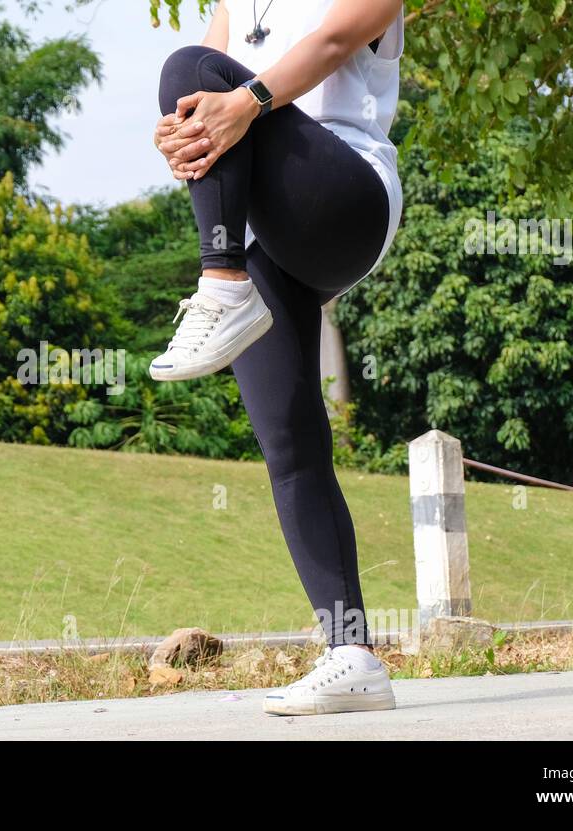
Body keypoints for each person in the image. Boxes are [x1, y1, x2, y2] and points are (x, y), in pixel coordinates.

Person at [150, 0, 405, 715]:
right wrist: (176, 138)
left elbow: (330, 41)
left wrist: (244, 100)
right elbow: (199, 103)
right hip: (275, 231)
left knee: (188, 69)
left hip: (347, 192)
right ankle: (351, 651)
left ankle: (221, 282)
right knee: (288, 443)